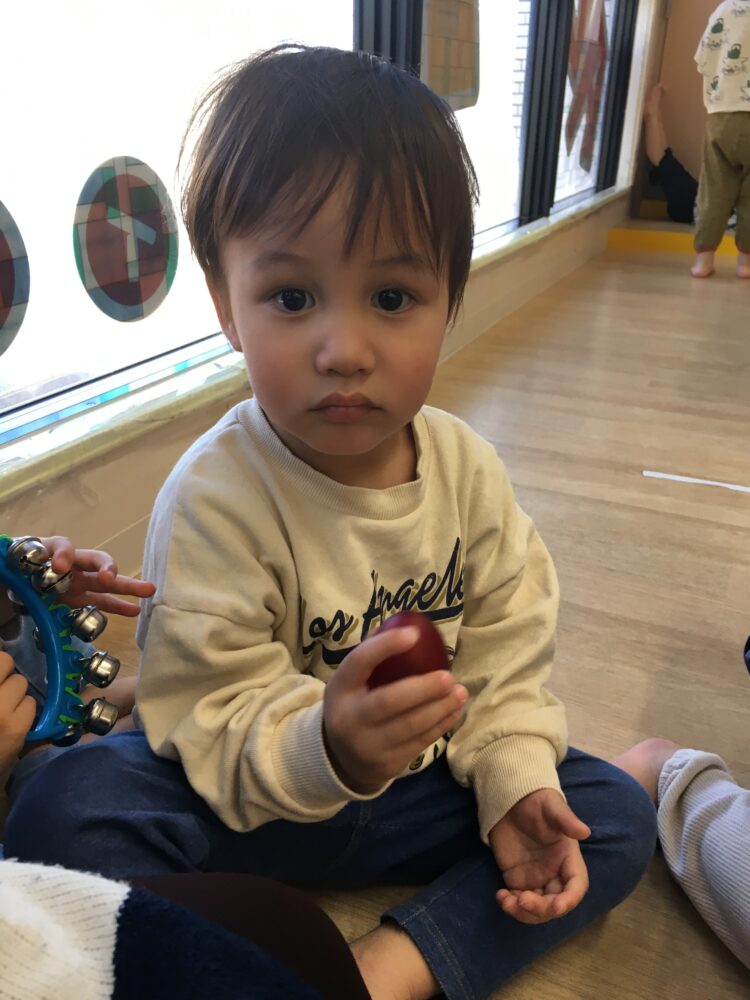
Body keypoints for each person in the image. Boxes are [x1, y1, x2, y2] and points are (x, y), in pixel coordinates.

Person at [4, 46, 658, 1000]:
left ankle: (386, 968)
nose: (344, 349)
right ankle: (233, 941)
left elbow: (507, 658)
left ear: (449, 303)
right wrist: (330, 745)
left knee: (611, 814)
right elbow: (209, 707)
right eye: (292, 298)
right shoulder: (216, 495)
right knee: (69, 805)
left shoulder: (470, 475)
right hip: (250, 801)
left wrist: (515, 782)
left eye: (392, 298)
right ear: (227, 306)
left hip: (419, 791)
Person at [691, 0, 750, 279]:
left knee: (713, 189)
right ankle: (746, 263)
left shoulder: (724, 9)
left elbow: (702, 59)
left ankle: (703, 261)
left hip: (722, 114)